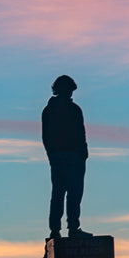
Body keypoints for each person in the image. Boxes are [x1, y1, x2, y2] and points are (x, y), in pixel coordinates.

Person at [42, 75, 91, 239]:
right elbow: (47, 136)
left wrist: (82, 153)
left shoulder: (54, 110)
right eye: (68, 90)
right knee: (65, 193)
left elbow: (80, 134)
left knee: (66, 193)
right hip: (67, 156)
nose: (70, 93)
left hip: (67, 156)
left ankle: (64, 228)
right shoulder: (63, 110)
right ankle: (65, 229)